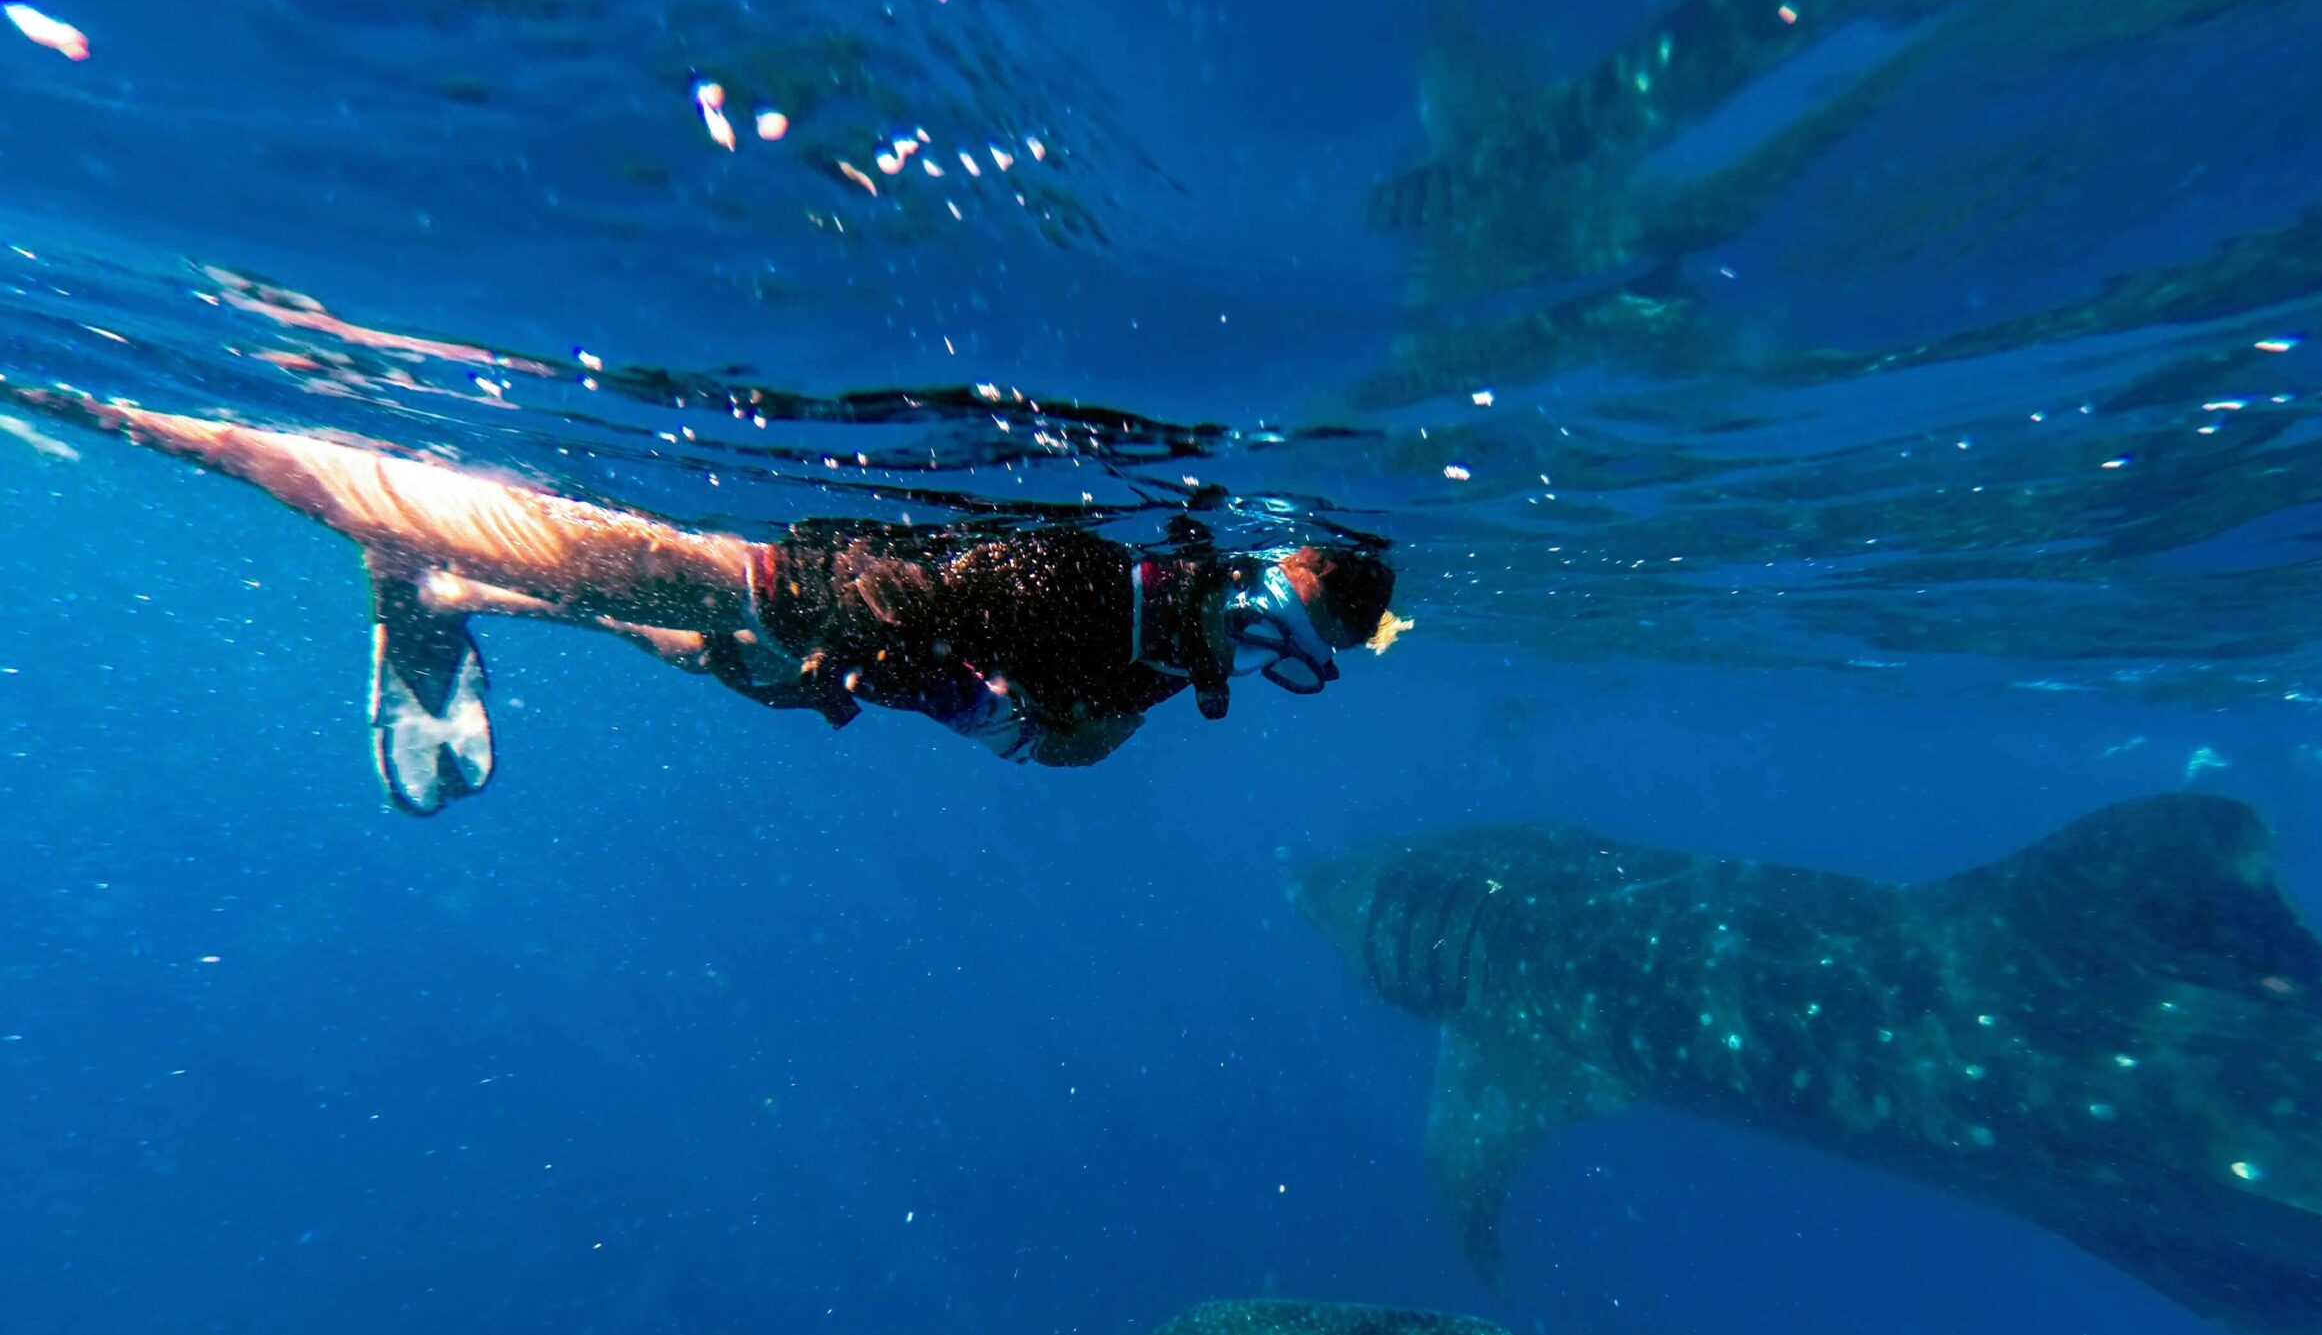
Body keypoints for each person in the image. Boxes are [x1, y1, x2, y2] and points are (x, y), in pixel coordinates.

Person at [6, 385, 1400, 813]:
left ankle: (442, 583)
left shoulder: (1155, 659)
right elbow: (962, 607)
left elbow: (1046, 732)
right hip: (813, 585)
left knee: (711, 654)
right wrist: (906, 658)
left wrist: (963, 703)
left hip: (846, 650)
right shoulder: (1106, 577)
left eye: (1298, 656)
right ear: (1261, 579)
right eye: (1284, 625)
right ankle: (171, 424)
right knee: (609, 559)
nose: (1264, 654)